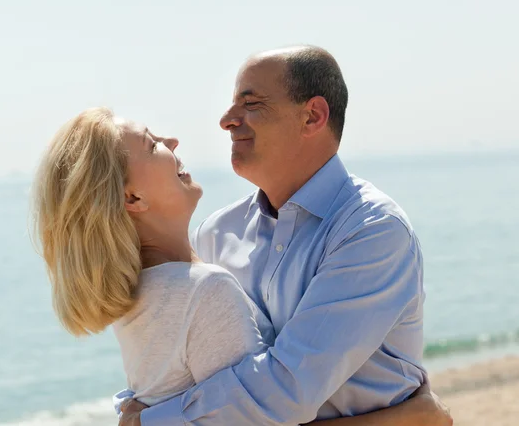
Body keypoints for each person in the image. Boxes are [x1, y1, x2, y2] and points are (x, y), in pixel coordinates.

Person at [32, 107, 450, 426]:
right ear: (133, 199)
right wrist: (410, 418)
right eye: (152, 144)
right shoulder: (204, 289)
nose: (173, 141)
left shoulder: (140, 293)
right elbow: (272, 412)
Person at [118, 45, 447, 426]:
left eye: (251, 103)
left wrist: (155, 421)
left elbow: (287, 392)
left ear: (312, 116)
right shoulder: (216, 232)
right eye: (232, 104)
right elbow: (174, 369)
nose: (226, 120)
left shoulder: (372, 231)